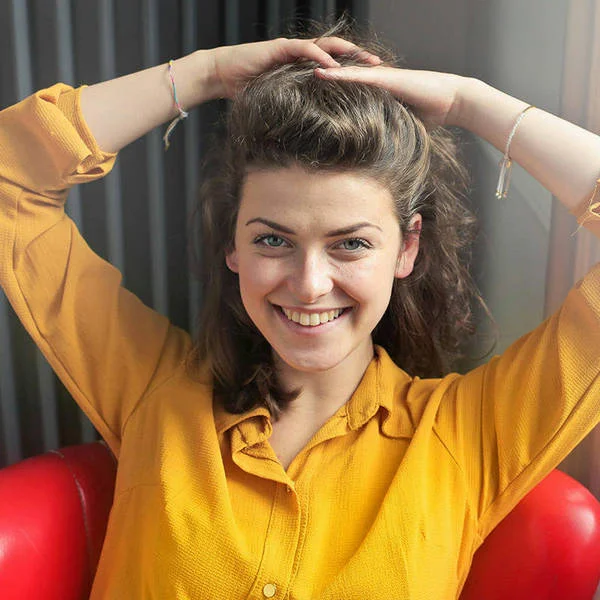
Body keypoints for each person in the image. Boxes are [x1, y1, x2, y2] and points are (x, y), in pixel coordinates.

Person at [0, 21, 599, 599]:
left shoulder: (469, 435)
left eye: (351, 244)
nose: (310, 285)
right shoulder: (150, 386)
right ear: (232, 244)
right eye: (273, 240)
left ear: (406, 248)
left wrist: (468, 101)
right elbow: (10, 172)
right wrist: (204, 74)